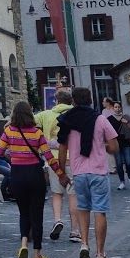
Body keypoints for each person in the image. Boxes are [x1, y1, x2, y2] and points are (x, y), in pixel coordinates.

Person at [0, 100, 69, 258]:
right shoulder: (37, 133)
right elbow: (49, 157)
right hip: (35, 175)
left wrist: (12, 154)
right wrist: (60, 174)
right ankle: (37, 254)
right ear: (30, 114)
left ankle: (23, 244)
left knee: (23, 213)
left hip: (17, 175)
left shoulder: (9, 131)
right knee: (37, 214)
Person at [56, 87, 119, 258]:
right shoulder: (100, 119)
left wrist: (61, 172)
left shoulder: (67, 119)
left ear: (73, 101)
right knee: (100, 211)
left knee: (83, 209)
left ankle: (84, 244)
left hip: (79, 172)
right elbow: (114, 147)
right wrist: (102, 146)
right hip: (98, 171)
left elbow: (62, 148)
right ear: (90, 99)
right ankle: (100, 253)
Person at [35, 87, 76, 243]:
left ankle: (58, 220)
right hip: (73, 159)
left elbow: (28, 120)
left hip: (53, 160)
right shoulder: (75, 114)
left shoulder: (46, 114)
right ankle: (75, 231)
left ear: (56, 101)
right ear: (70, 101)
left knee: (56, 193)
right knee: (73, 195)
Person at [108, 99, 130, 190]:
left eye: (119, 107)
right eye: (115, 107)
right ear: (113, 108)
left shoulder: (126, 117)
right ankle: (122, 182)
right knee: (119, 163)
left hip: (126, 142)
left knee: (128, 162)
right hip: (116, 143)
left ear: (121, 108)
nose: (117, 109)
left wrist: (127, 122)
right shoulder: (109, 119)